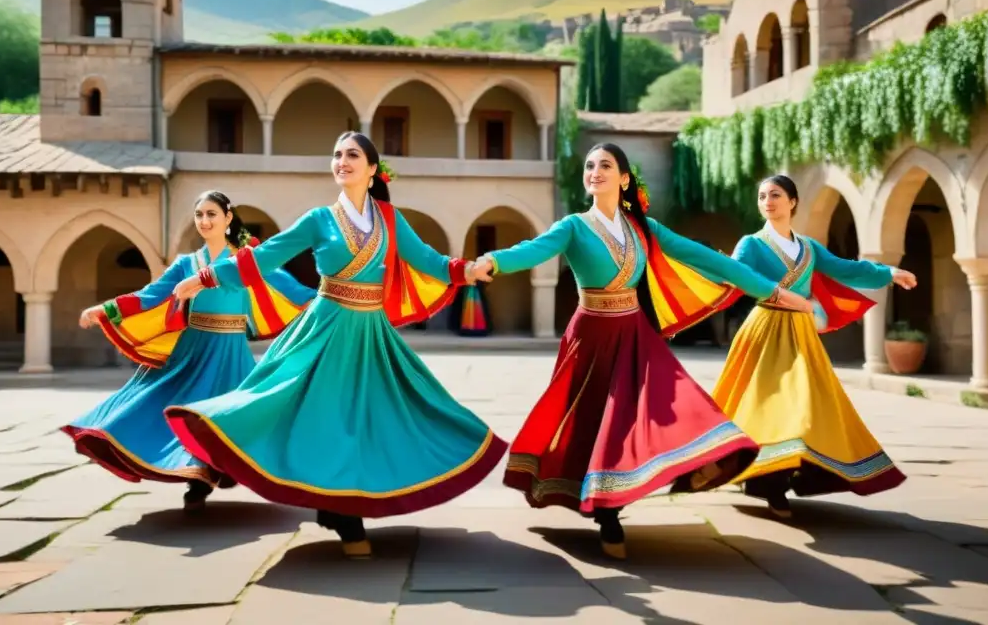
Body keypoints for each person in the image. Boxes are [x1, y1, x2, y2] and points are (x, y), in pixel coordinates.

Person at [163, 132, 506, 558]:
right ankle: (343, 514)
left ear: (372, 169)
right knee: (321, 416)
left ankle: (341, 504)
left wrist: (468, 271)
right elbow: (263, 256)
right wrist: (208, 277)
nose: (341, 161)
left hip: (370, 333)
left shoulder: (390, 219)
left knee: (384, 416)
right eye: (337, 154)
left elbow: (429, 261)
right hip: (325, 328)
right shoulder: (318, 219)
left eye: (352, 155)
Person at [470, 143, 811, 559]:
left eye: (606, 165)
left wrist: (774, 291)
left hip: (635, 333)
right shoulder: (573, 226)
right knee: (596, 422)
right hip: (591, 336)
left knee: (664, 406)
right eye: (590, 165)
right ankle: (605, 508)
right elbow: (533, 249)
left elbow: (713, 261)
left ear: (624, 179)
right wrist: (493, 261)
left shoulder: (644, 229)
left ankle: (651, 486)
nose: (595, 171)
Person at [65, 191, 316, 511]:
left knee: (236, 417)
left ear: (228, 218)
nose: (205, 221)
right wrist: (105, 309)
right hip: (193, 350)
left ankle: (233, 472)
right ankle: (196, 480)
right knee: (184, 412)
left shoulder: (248, 260)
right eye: (199, 215)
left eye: (212, 214)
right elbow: (150, 296)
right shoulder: (187, 263)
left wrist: (332, 297)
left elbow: (291, 289)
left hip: (231, 352)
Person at [710, 174, 916, 518]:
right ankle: (770, 483)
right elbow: (735, 278)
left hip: (801, 333)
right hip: (765, 330)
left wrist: (888, 272)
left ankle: (788, 473)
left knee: (807, 405)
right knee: (768, 406)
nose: (768, 202)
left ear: (792, 202)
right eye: (762, 196)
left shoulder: (808, 248)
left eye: (775, 195)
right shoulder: (751, 244)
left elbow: (845, 269)